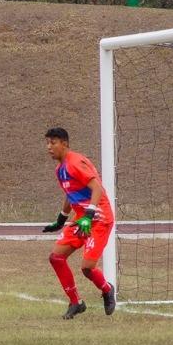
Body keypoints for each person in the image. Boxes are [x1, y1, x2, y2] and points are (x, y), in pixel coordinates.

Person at [41, 128, 116, 319]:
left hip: (99, 218)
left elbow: (97, 188)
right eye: (47, 143)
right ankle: (76, 303)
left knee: (87, 268)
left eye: (53, 142)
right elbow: (70, 194)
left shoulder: (75, 162)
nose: (49, 147)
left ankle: (107, 290)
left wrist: (89, 216)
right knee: (56, 257)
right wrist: (61, 219)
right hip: (81, 218)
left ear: (65, 143)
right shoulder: (60, 169)